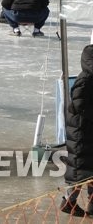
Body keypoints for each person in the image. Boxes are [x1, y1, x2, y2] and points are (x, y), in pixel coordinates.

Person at [63, 44, 93, 216]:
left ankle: (92, 203)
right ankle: (69, 201)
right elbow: (79, 105)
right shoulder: (85, 79)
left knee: (89, 168)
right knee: (79, 168)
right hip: (81, 130)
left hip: (88, 129)